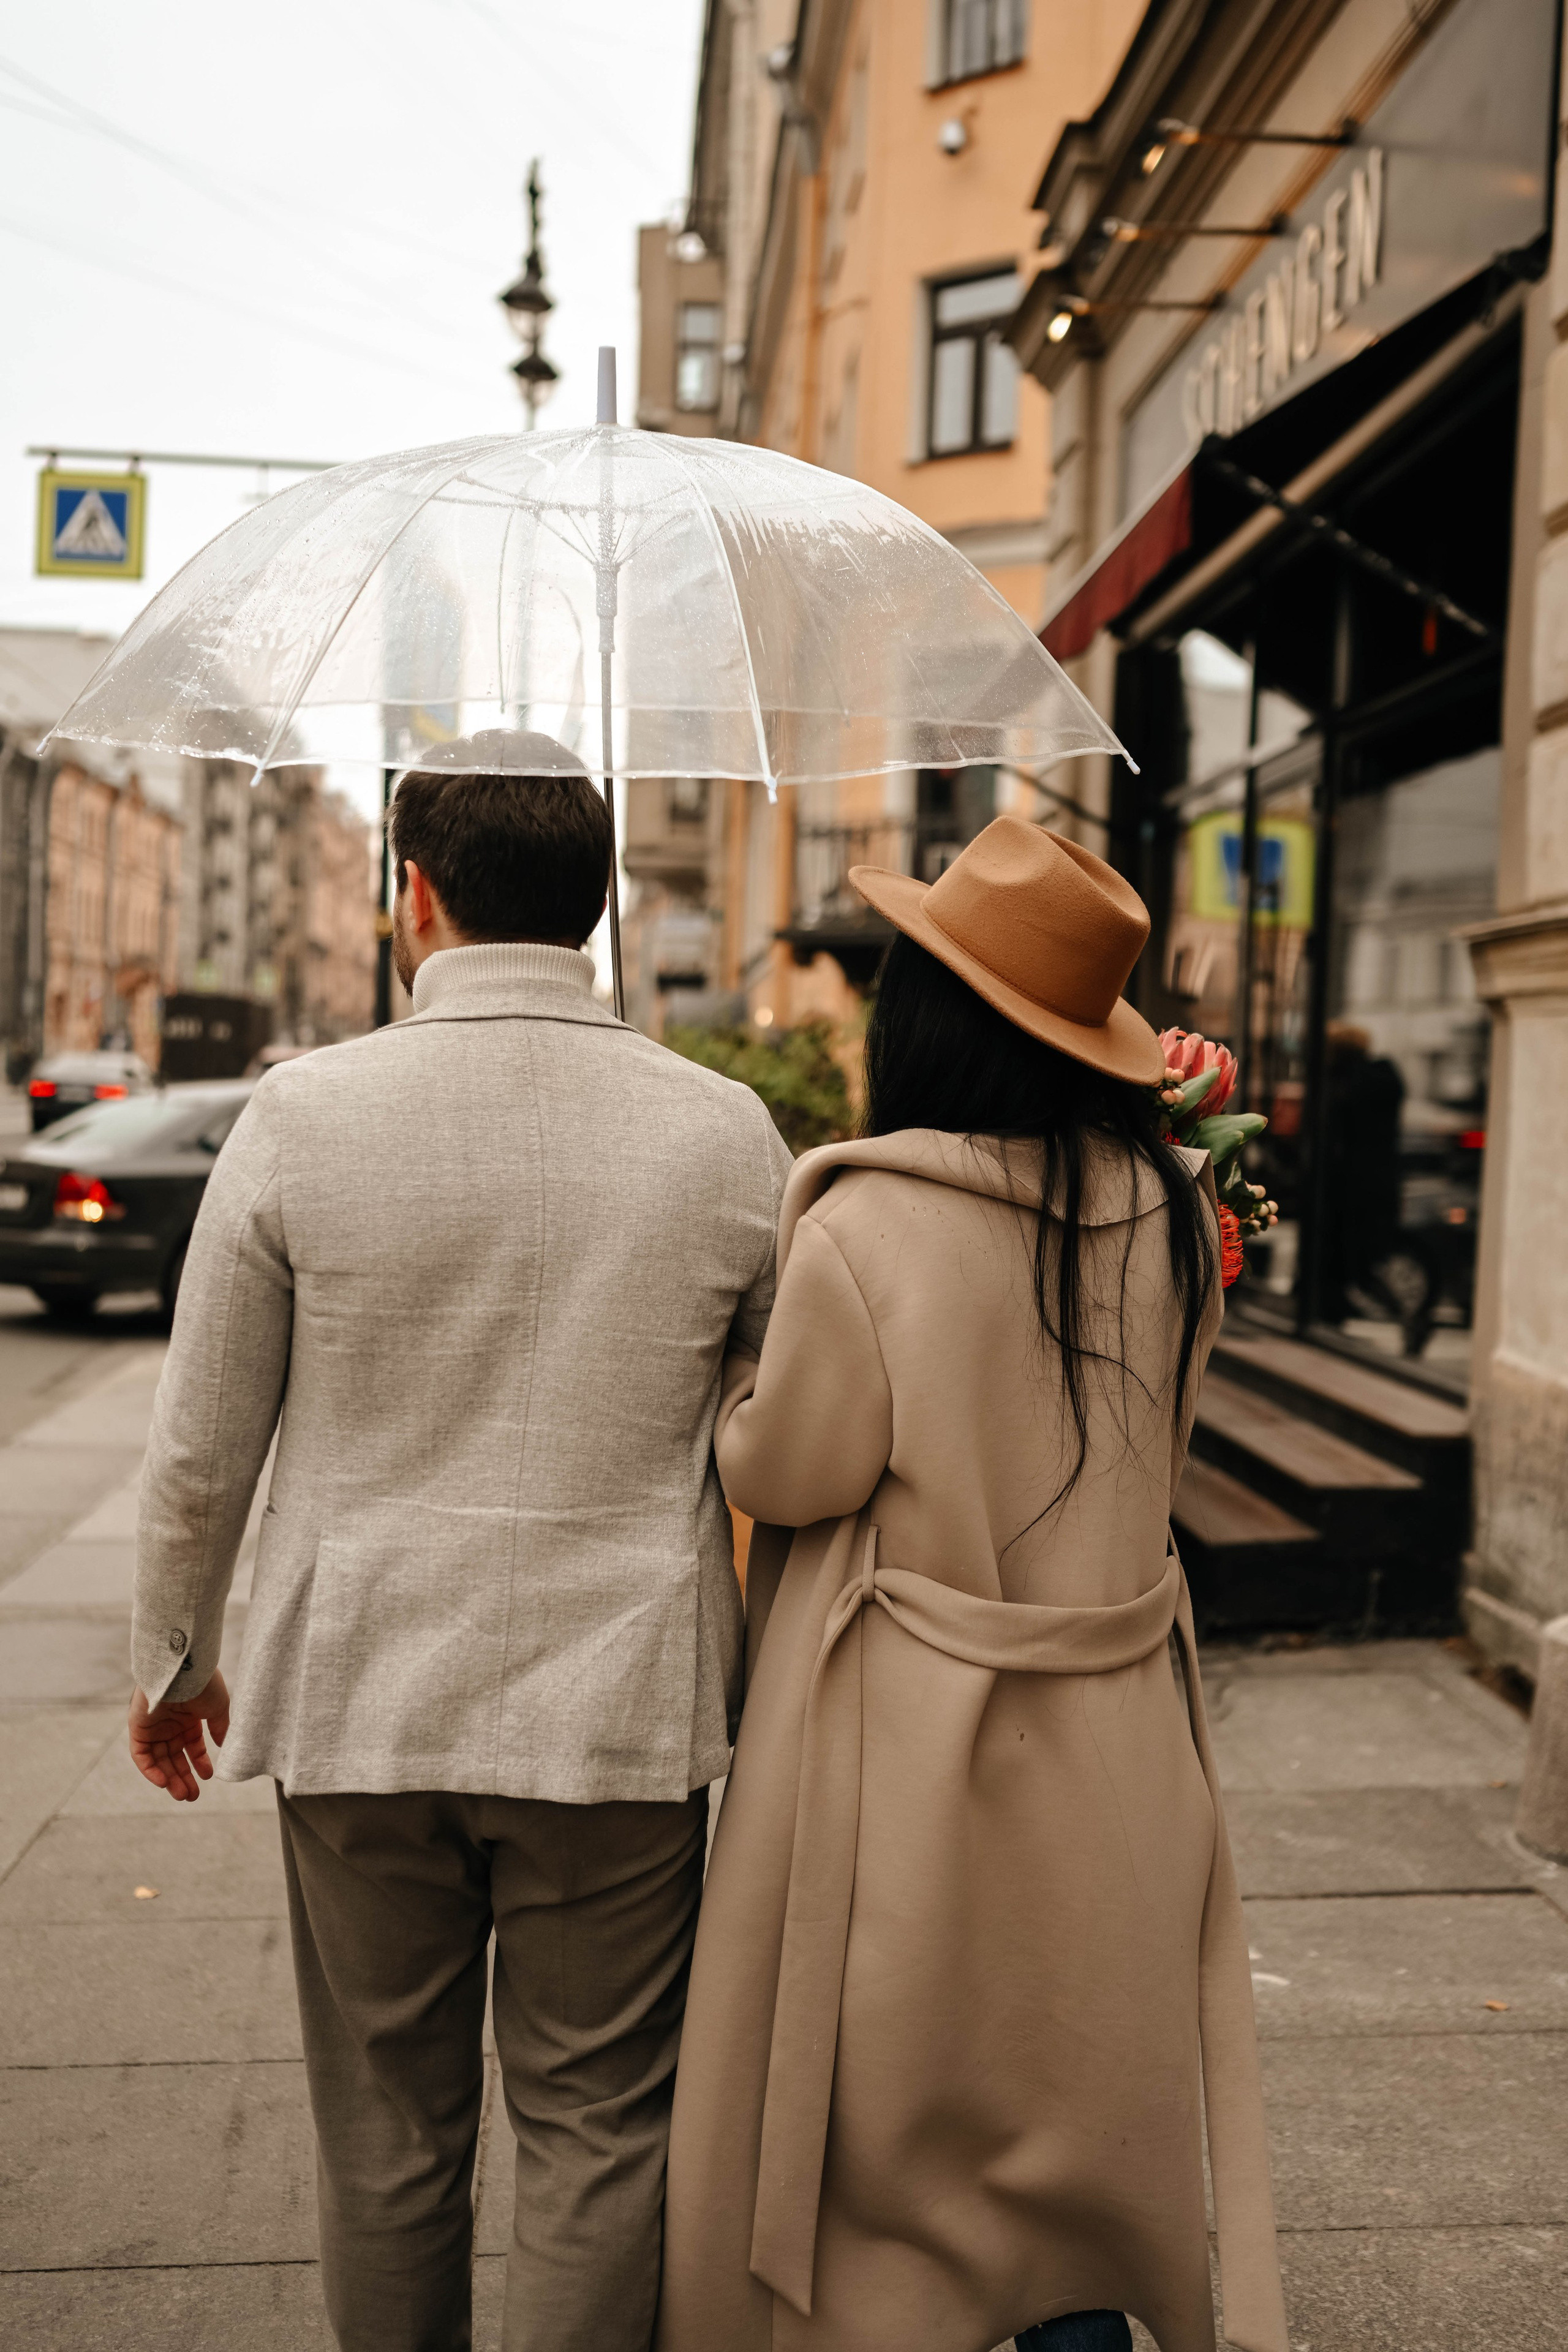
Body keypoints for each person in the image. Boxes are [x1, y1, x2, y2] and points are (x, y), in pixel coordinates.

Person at [126, 732, 793, 2352]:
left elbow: (203, 1441)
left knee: (385, 2134)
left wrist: (176, 1657)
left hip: (360, 1701)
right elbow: (792, 1432)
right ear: (598, 905)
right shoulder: (726, 1134)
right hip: (620, 1718)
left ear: (416, 895)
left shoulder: (301, 1117)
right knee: (602, 2129)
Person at [657, 818, 1289, 2352]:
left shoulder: (870, 1223)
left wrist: (737, 1388)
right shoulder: (1173, 1217)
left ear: (925, 1024)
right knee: (1079, 2099)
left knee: (902, 2121)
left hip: (908, 1742)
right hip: (1116, 1729)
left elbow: (788, 1473)